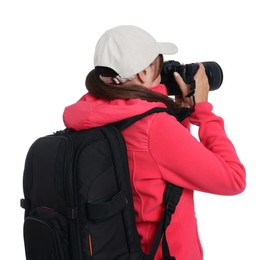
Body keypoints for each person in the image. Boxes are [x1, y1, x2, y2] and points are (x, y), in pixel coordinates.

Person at [63, 25, 246, 260]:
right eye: (160, 70)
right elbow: (234, 179)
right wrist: (203, 111)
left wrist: (178, 113)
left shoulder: (91, 117)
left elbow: (155, 167)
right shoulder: (154, 127)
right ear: (143, 73)